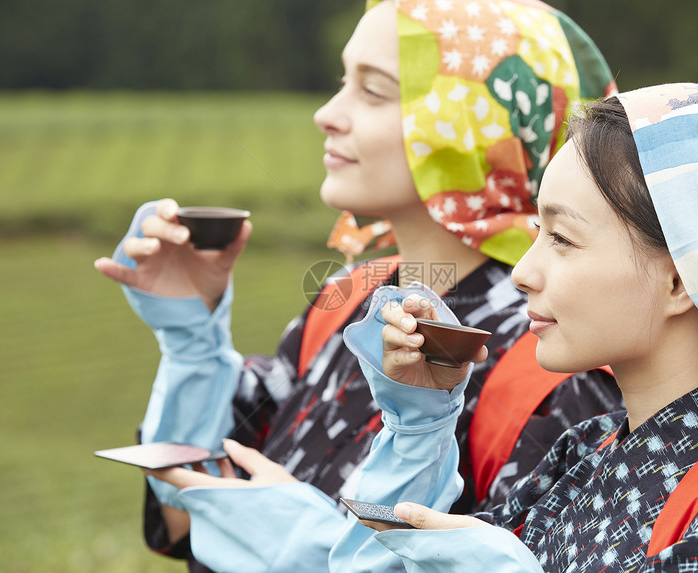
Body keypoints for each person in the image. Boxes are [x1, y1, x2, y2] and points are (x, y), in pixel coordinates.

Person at [94, 1, 621, 571]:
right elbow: (185, 512)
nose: (327, 113)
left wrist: (314, 547)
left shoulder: (551, 361)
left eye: (373, 91)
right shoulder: (346, 296)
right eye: (342, 82)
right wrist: (190, 336)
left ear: (472, 126)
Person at [331, 82, 698, 572]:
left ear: (681, 280)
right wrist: (419, 426)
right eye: (538, 234)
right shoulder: (584, 451)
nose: (522, 272)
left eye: (561, 238)